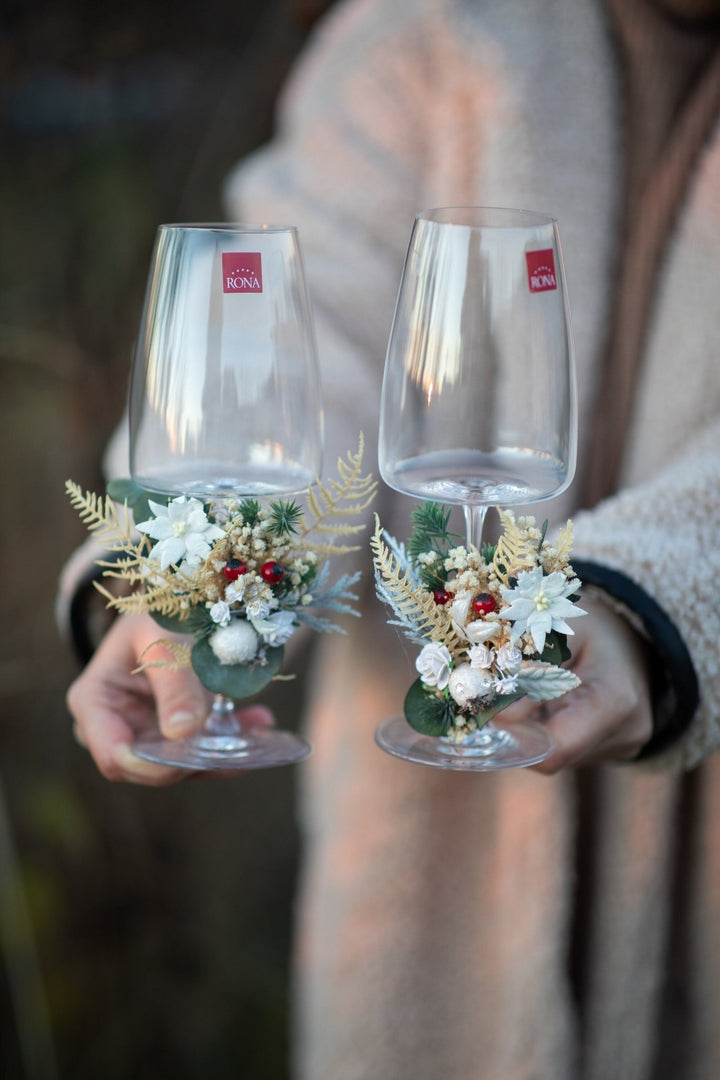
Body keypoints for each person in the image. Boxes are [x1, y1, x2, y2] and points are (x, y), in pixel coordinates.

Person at [61, 0, 720, 1075]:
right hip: (436, 913)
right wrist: (182, 586)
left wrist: (645, 604)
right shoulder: (430, 27)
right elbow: (292, 337)